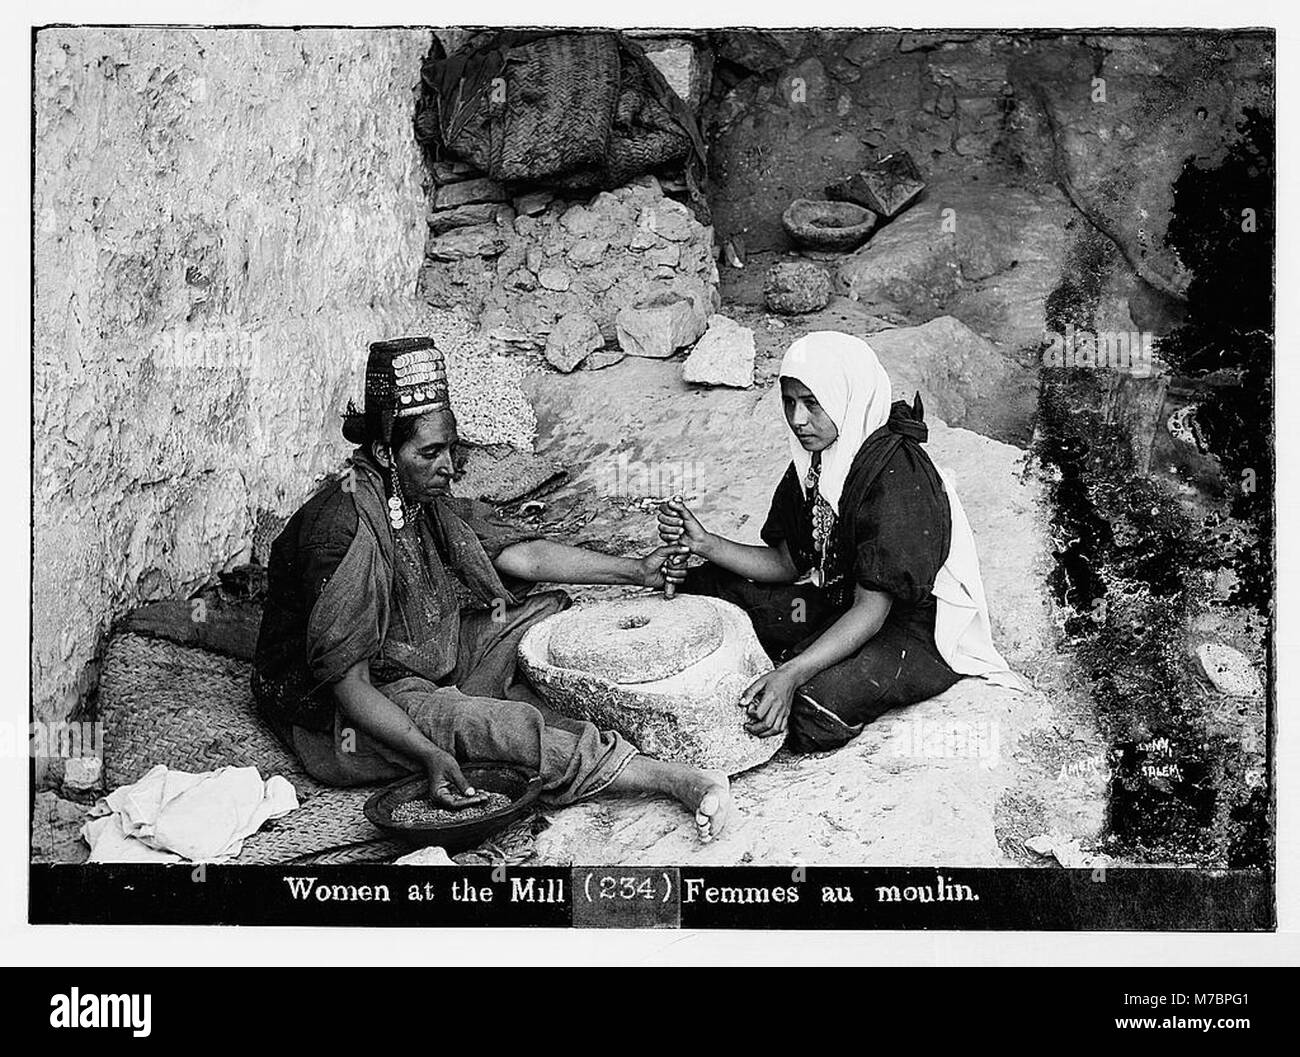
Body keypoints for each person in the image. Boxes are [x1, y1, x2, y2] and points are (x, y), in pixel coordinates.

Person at [253, 337, 732, 840]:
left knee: (543, 612)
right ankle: (673, 780)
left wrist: (638, 571)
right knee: (486, 725)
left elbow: (520, 553)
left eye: (452, 449)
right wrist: (431, 754)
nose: (449, 466)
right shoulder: (343, 529)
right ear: (382, 452)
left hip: (418, 655)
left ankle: (497, 717)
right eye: (431, 452)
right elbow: (351, 687)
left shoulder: (414, 490)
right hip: (348, 717)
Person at [657, 331, 1022, 754]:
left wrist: (791, 675)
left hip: (911, 625)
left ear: (845, 394)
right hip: (841, 598)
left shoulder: (894, 476)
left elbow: (872, 612)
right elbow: (786, 563)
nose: (798, 419)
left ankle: (806, 664)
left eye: (812, 402)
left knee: (813, 708)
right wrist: (706, 544)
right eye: (790, 402)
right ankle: (801, 652)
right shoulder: (818, 458)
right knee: (713, 587)